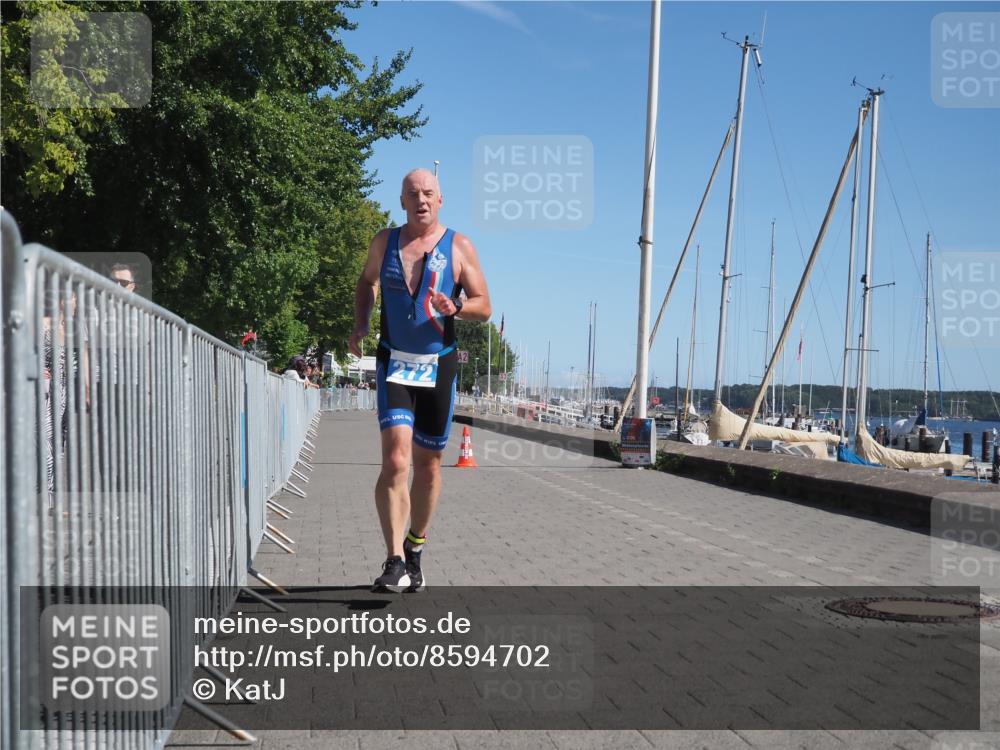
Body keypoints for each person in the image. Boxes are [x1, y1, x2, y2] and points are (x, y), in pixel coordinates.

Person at [350, 168, 491, 592]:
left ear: (441, 199)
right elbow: (366, 281)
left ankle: (415, 546)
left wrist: (457, 308)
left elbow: (484, 305)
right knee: (395, 460)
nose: (421, 200)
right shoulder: (384, 241)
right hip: (394, 360)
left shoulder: (459, 245)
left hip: (438, 364)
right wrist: (361, 323)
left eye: (428, 193)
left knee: (428, 466)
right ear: (402, 201)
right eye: (413, 194)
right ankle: (393, 559)